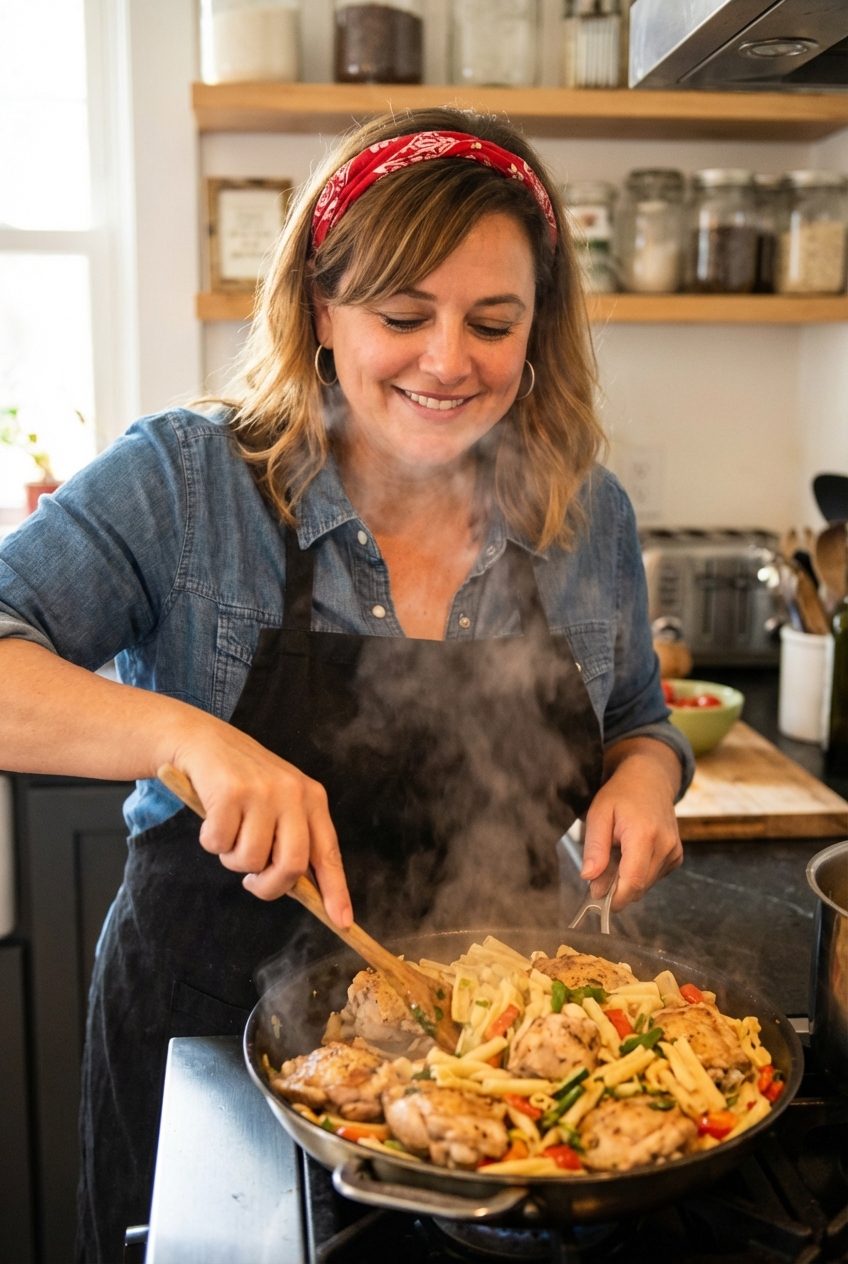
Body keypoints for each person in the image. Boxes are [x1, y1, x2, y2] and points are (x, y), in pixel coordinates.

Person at [0, 107, 692, 1261]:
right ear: (322, 308)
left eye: (491, 321)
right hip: (214, 1051)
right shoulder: (189, 480)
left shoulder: (583, 511)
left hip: (511, 1085)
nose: (446, 359)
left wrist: (645, 775)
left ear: (538, 330)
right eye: (401, 313)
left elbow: (635, 718)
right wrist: (184, 736)